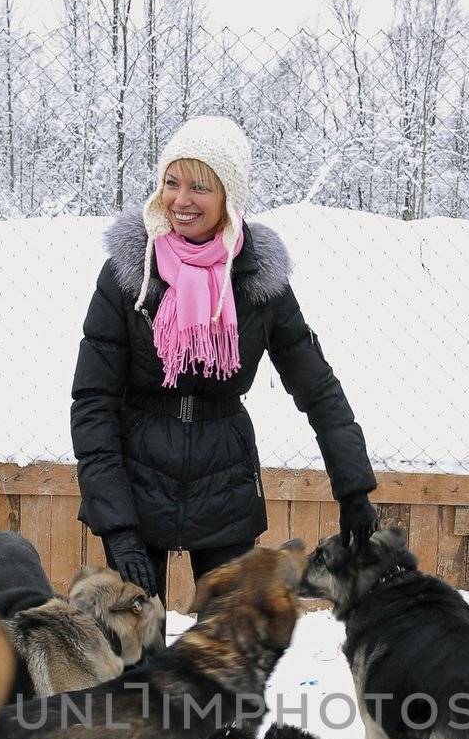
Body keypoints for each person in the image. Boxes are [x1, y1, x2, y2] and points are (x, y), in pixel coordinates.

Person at [70, 116, 378, 598]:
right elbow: (93, 400)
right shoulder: (130, 274)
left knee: (229, 651)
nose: (181, 200)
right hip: (136, 476)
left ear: (228, 198)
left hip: (225, 481)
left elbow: (317, 387)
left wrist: (354, 488)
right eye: (172, 182)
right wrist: (118, 527)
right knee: (133, 653)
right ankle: (138, 679)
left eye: (200, 187)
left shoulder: (257, 278)